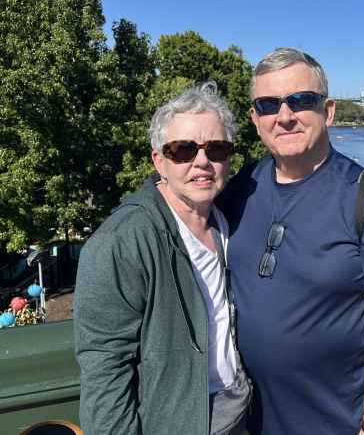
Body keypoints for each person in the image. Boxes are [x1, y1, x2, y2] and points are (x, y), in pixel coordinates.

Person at [218, 48, 364, 435]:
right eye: (269, 104)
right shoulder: (240, 187)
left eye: (301, 100)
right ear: (255, 119)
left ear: (328, 111)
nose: (285, 116)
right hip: (244, 419)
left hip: (334, 422)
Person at [74, 84, 251, 435]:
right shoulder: (121, 242)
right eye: (183, 150)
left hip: (238, 410)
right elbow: (105, 369)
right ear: (159, 160)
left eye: (216, 149)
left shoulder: (223, 218)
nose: (202, 161)